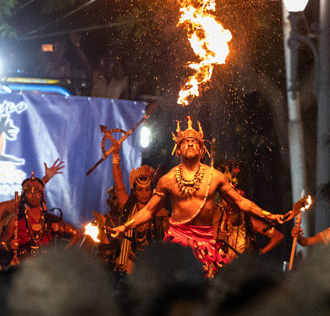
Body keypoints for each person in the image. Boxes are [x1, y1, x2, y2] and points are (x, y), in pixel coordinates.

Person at [110, 117, 288, 278]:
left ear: (202, 150)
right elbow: (149, 210)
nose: (189, 144)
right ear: (178, 149)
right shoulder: (168, 180)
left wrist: (268, 215)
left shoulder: (215, 176)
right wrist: (124, 227)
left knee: (209, 290)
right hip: (177, 239)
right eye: (185, 142)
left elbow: (240, 202)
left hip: (206, 241)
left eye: (194, 142)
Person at [107, 147, 168, 273]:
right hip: (126, 260)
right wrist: (115, 155)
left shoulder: (160, 211)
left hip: (151, 263)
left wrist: (140, 264)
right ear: (134, 192)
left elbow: (162, 244)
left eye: (147, 190)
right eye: (140, 190)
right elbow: (118, 183)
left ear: (152, 191)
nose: (144, 193)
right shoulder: (128, 204)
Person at [0, 172, 78, 260]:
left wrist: (63, 254)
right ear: (24, 196)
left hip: (46, 269)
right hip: (22, 270)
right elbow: (1, 246)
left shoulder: (50, 220)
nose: (34, 195)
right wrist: (9, 246)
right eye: (29, 192)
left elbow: (77, 234)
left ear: (42, 195)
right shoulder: (16, 221)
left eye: (37, 191)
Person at [214, 162, 284, 260]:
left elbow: (277, 236)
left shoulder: (249, 222)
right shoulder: (216, 219)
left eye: (236, 200)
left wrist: (260, 253)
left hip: (244, 270)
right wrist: (216, 237)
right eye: (228, 199)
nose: (232, 203)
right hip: (223, 271)